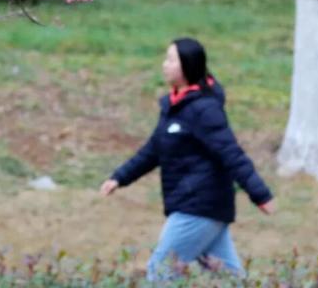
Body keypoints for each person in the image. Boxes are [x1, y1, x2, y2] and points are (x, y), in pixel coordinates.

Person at [100, 38, 275, 281]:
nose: (165, 65)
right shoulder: (175, 107)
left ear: (188, 66)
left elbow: (230, 153)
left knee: (160, 273)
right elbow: (153, 150)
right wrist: (119, 177)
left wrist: (260, 194)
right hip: (198, 207)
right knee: (230, 279)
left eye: (171, 60)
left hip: (199, 206)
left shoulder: (205, 109)